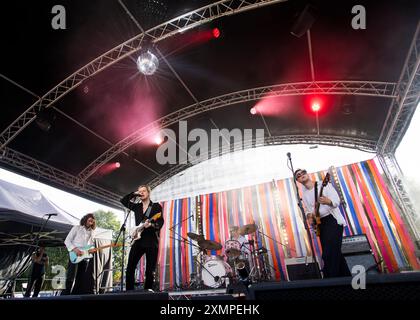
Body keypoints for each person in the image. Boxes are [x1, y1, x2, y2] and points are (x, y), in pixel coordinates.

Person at [294, 169, 351, 278]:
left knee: (328, 254)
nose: (302, 175)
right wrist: (309, 216)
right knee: (335, 253)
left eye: (303, 172)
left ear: (307, 174)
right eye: (298, 175)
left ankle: (330, 279)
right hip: (321, 225)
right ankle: (347, 279)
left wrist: (328, 201)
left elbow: (336, 201)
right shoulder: (304, 195)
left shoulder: (323, 185)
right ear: (298, 180)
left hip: (333, 221)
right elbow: (308, 210)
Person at [121, 185, 164, 291]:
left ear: (148, 193)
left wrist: (152, 225)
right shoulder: (137, 207)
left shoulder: (155, 206)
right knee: (130, 267)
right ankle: (129, 292)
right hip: (138, 240)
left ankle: (148, 292)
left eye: (144, 191)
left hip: (151, 241)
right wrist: (134, 194)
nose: (141, 193)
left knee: (150, 270)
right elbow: (123, 200)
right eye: (140, 191)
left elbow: (160, 221)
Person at [62, 213, 96, 295]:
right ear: (85, 220)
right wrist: (75, 249)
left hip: (84, 257)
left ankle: (75, 295)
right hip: (74, 254)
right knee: (70, 276)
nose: (90, 222)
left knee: (81, 278)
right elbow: (67, 241)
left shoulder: (92, 232)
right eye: (89, 220)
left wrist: (92, 249)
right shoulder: (76, 228)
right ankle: (65, 295)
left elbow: (90, 245)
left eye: (92, 221)